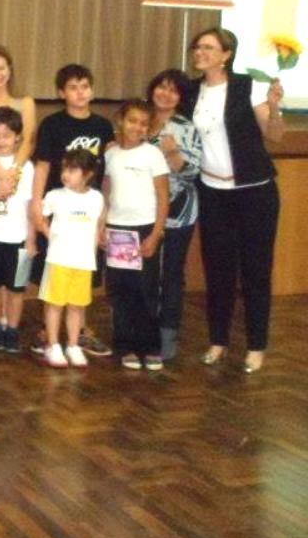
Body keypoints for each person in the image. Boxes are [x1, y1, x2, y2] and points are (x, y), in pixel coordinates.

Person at [187, 26, 285, 374]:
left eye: (209, 47)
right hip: (213, 194)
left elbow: (274, 136)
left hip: (255, 192)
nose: (200, 52)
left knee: (256, 271)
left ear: (226, 54)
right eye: (198, 47)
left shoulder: (247, 86)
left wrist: (275, 109)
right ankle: (218, 342)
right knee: (218, 272)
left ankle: (256, 346)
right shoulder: (191, 91)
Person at [29, 64, 114, 358]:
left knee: (82, 273)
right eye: (73, 87)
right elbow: (42, 166)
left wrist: (104, 217)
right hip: (59, 211)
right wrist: (37, 208)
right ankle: (48, 332)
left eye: (85, 86)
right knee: (52, 271)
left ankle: (79, 333)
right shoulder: (53, 124)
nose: (80, 92)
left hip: (88, 214)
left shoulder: (103, 127)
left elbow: (106, 174)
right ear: (61, 92)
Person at [102, 100, 170, 371]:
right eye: (133, 121)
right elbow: (106, 193)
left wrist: (155, 235)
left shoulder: (152, 155)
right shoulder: (110, 155)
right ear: (121, 121)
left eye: (144, 123)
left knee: (146, 291)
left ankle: (150, 346)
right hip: (117, 231)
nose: (137, 127)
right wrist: (102, 227)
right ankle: (125, 346)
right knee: (120, 291)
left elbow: (164, 198)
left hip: (144, 230)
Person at [146, 69, 202, 361]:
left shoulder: (185, 127)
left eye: (173, 90)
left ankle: (167, 336)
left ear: (181, 97)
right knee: (144, 273)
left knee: (170, 274)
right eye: (161, 87)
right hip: (140, 210)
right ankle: (142, 332)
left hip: (177, 213)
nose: (165, 94)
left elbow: (193, 173)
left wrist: (174, 155)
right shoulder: (139, 120)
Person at [37, 149, 105, 368]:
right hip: (59, 260)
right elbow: (40, 219)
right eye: (64, 168)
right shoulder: (55, 196)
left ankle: (73, 345)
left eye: (72, 169)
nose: (65, 174)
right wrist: (50, 236)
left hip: (83, 262)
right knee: (54, 304)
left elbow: (97, 228)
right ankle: (53, 345)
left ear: (87, 174)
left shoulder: (96, 198)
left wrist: (93, 254)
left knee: (77, 305)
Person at [0, 106, 35, 354]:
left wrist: (31, 240)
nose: (1, 141)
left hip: (19, 238)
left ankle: (12, 329)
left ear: (17, 137)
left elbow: (31, 206)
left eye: (7, 135)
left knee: (16, 289)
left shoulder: (27, 168)